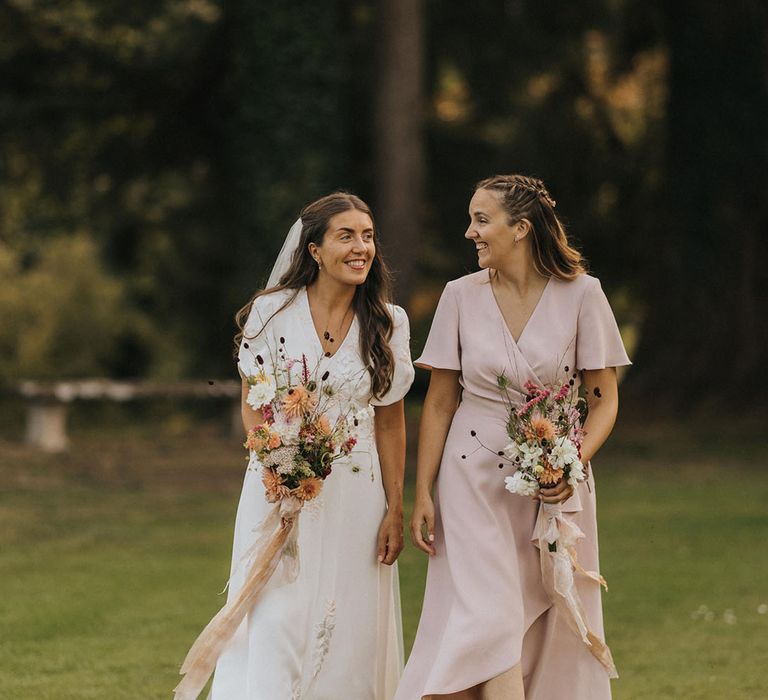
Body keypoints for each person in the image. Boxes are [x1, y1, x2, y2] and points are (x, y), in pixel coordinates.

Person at [397, 175, 630, 700]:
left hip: (555, 484)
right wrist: (423, 492)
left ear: (521, 228)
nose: (469, 232)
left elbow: (603, 400)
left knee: (548, 619)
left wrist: (570, 466)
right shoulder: (459, 295)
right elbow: (439, 401)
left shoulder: (583, 294)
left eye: (482, 220)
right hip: (471, 480)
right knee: (491, 613)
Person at [210, 192, 415, 699]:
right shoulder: (271, 314)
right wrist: (280, 468)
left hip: (357, 497)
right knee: (275, 618)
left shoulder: (390, 323)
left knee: (347, 625)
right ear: (314, 249)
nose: (361, 247)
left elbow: (390, 423)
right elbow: (254, 403)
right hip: (277, 488)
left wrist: (395, 509)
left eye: (367, 236)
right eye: (346, 235)